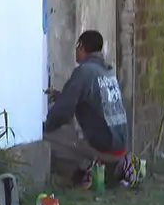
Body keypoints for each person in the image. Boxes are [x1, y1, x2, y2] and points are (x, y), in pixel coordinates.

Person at [43, 29, 135, 187]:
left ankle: (86, 170)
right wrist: (61, 96)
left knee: (47, 139)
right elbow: (92, 100)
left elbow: (62, 112)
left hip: (103, 149)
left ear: (81, 47)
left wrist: (44, 126)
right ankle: (117, 165)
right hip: (121, 148)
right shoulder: (108, 72)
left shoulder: (83, 72)